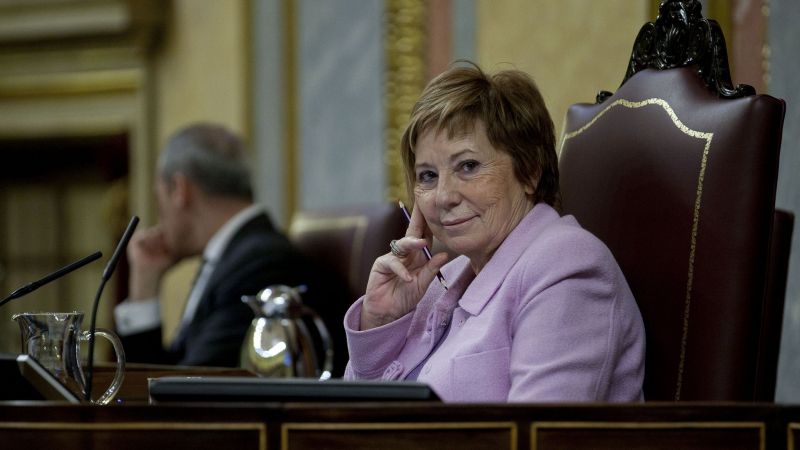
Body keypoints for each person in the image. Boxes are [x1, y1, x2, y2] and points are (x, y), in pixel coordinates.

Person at [343, 62, 645, 402]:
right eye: (427, 175)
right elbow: (355, 420)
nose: (443, 196)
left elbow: (538, 435)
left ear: (529, 171)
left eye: (468, 166)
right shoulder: (442, 278)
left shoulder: (568, 267)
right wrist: (379, 320)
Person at [114, 123, 347, 371]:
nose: (159, 220)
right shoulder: (236, 255)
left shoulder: (261, 263)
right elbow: (166, 375)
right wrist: (144, 285)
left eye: (158, 202)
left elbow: (196, 383)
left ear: (180, 191)